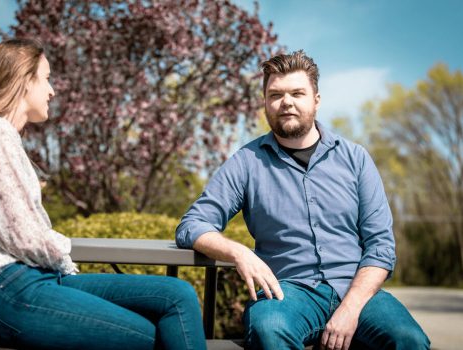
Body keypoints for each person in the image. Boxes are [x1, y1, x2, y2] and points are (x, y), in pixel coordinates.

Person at [0, 38, 206, 350]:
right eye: (47, 78)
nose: (52, 91)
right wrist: (62, 251)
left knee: (177, 294)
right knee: (154, 335)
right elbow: (19, 231)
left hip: (29, 280)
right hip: (8, 290)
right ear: (25, 81)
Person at [175, 51, 430, 350]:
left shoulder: (356, 158)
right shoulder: (246, 162)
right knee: (268, 329)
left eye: (297, 93)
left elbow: (381, 247)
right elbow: (192, 224)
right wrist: (238, 252)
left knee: (409, 339)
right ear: (266, 102)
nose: (287, 102)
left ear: (316, 100)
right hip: (288, 293)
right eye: (276, 94)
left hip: (356, 289)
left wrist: (350, 308)